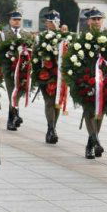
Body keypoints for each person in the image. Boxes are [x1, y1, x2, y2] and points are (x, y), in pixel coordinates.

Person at [82, 8, 107, 159]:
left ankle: (91, 142)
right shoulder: (83, 38)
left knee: (100, 113)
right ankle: (95, 140)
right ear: (88, 21)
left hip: (103, 81)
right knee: (89, 111)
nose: (97, 21)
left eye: (99, 19)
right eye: (94, 19)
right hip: (86, 80)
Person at [39, 10, 63, 144]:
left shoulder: (63, 37)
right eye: (51, 22)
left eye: (56, 21)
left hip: (59, 75)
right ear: (46, 23)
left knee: (57, 103)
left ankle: (53, 127)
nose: (54, 24)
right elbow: (36, 56)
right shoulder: (41, 37)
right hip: (45, 74)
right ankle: (50, 128)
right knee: (49, 102)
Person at [4, 11, 26, 131]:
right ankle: (11, 119)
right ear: (10, 21)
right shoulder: (4, 34)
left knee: (17, 95)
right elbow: (0, 50)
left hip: (22, 70)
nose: (17, 21)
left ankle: (14, 118)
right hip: (9, 70)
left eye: (19, 19)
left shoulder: (25, 34)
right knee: (11, 94)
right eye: (14, 19)